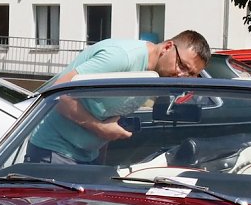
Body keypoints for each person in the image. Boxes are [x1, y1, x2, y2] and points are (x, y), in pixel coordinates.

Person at [27, 30, 210, 164]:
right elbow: (58, 93)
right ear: (168, 46)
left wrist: (102, 159)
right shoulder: (122, 57)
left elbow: (110, 116)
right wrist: (100, 129)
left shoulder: (155, 75)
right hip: (53, 152)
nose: (182, 75)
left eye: (191, 74)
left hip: (89, 157)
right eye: (182, 66)